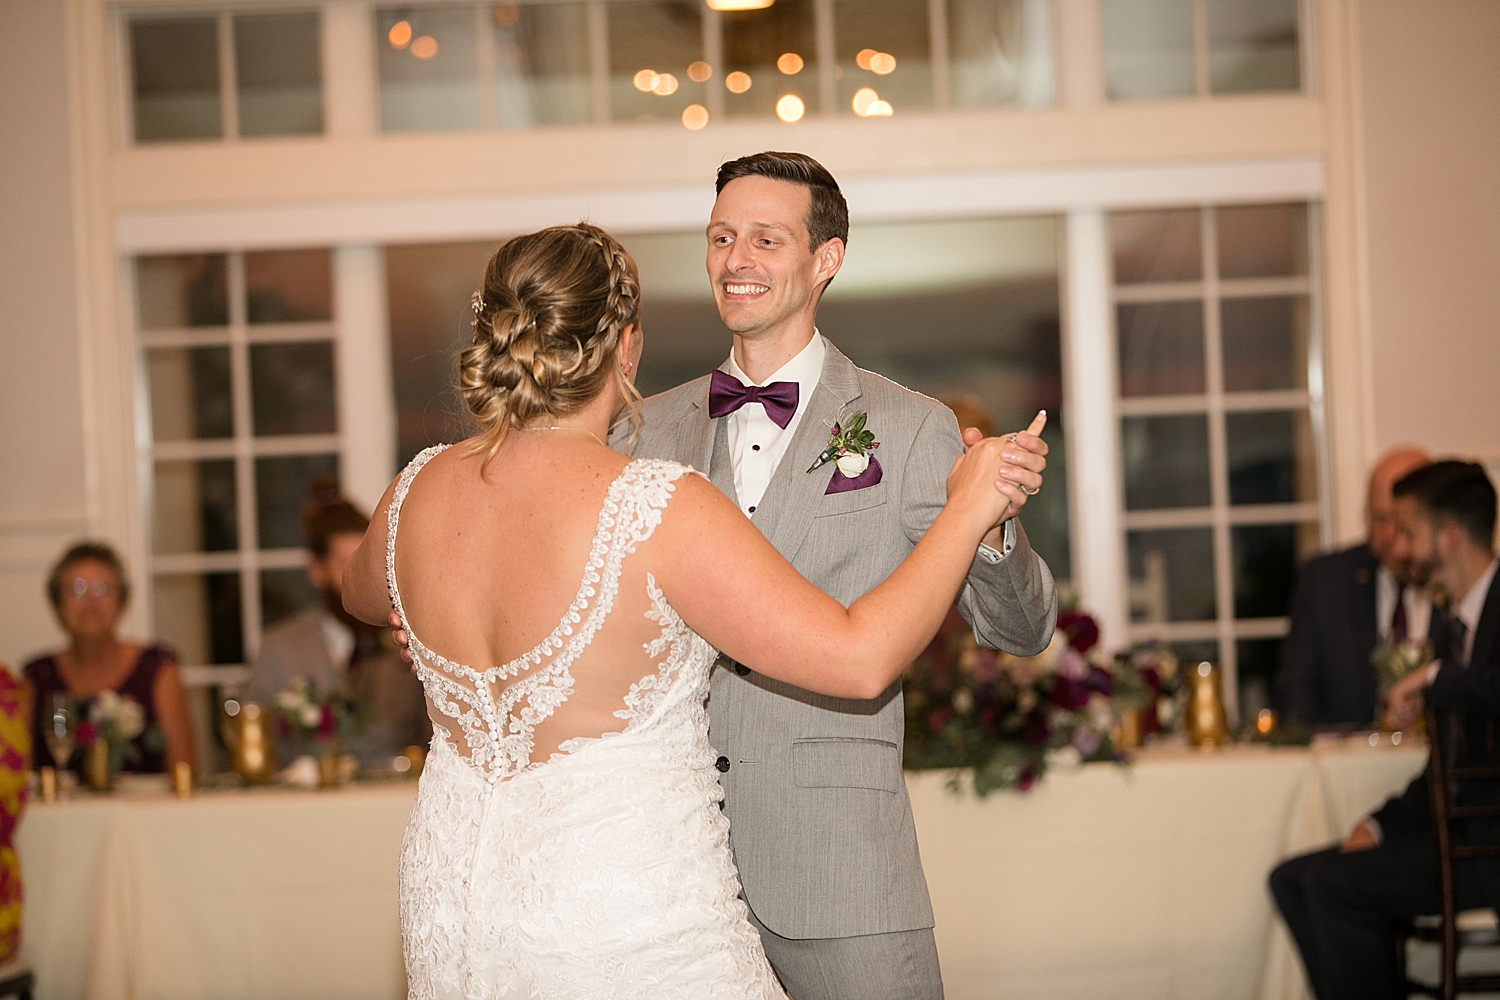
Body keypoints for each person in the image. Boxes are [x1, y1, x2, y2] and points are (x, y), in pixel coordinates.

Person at [343, 222, 1033, 998]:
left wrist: (430, 627)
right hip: (623, 912)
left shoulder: (417, 488)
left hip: (455, 901)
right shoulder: (653, 503)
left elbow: (365, 595)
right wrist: (966, 512)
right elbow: (858, 657)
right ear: (625, 347)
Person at [618, 151, 1057, 998]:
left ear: (827, 260)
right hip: (667, 863)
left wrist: (993, 527)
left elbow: (1021, 629)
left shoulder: (908, 426)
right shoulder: (642, 432)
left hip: (841, 865)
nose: (735, 259)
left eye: (765, 239)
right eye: (721, 237)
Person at [1269, 460, 1500, 1000]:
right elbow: (1445, 770)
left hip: (1489, 848)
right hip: (1459, 839)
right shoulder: (1456, 625)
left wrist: (1435, 679)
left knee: (1334, 888)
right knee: (1293, 880)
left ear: (1448, 538)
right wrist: (1377, 826)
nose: (1397, 547)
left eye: (1409, 532)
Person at [245, 481, 428, 769]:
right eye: (346, 564)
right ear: (316, 571)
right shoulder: (279, 647)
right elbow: (258, 748)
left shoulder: (407, 641)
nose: (360, 578)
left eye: (367, 562)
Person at [1278, 447, 1433, 726]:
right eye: (1378, 518)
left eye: (1400, 522)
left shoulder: (1457, 581)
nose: (1388, 535)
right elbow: (1296, 695)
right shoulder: (1325, 581)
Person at [24, 542, 194, 774]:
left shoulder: (158, 669)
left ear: (122, 601)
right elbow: (18, 776)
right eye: (77, 589)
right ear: (58, 604)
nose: (90, 602)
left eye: (103, 588)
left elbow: (184, 770)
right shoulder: (36, 677)